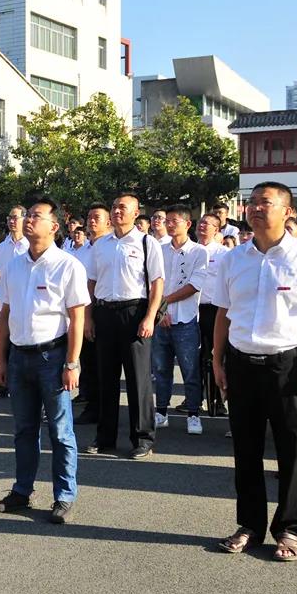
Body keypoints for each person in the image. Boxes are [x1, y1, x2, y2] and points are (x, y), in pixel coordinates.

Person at [214, 182, 297, 562]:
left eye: (266, 202)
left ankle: (289, 529)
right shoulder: (233, 259)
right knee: (246, 450)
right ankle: (250, 525)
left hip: (289, 367)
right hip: (241, 364)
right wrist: (217, 361)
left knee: (292, 452)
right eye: (252, 202)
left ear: (288, 211)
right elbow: (223, 313)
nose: (256, 208)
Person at [0, 198, 88, 524]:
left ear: (54, 226)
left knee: (60, 432)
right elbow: (4, 315)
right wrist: (1, 359)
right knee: (24, 429)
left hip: (53, 357)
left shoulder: (68, 265)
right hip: (19, 357)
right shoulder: (14, 265)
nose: (29, 220)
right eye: (28, 215)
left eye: (37, 216)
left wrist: (72, 363)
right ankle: (22, 491)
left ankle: (64, 496)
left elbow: (77, 319)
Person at [86, 193, 164, 460]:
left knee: (138, 380)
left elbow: (157, 283)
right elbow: (91, 282)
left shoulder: (146, 242)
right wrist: (89, 317)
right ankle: (105, 437)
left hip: (134, 313)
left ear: (135, 212)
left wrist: (150, 317)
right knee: (105, 379)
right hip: (104, 313)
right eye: (114, 207)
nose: (117, 211)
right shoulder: (101, 245)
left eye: (123, 207)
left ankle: (142, 438)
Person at [153, 205, 208, 435]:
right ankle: (161, 411)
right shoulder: (158, 249)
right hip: (160, 320)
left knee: (190, 370)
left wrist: (163, 302)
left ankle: (193, 413)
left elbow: (194, 285)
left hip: (186, 320)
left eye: (174, 221)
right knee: (160, 369)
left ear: (188, 224)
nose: (169, 224)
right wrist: (160, 311)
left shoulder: (199, 252)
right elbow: (152, 282)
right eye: (167, 220)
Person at [73, 204, 111, 424]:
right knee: (87, 361)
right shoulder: (84, 250)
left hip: (103, 308)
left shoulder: (109, 247)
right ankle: (90, 403)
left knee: (103, 364)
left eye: (97, 217)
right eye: (89, 217)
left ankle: (103, 409)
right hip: (83, 309)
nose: (91, 221)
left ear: (108, 222)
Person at [0, 205, 29, 399]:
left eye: (15, 217)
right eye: (9, 218)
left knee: (23, 344)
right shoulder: (2, 247)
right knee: (4, 342)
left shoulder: (30, 245)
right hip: (6, 302)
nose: (12, 221)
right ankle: (4, 385)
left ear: (25, 219)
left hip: (25, 302)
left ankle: (23, 385)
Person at [196, 213, 229, 419]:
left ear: (216, 230)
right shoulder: (191, 250)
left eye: (206, 224)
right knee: (195, 357)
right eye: (200, 222)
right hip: (193, 309)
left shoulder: (225, 254)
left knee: (217, 355)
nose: (201, 226)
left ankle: (218, 400)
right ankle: (195, 399)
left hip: (216, 310)